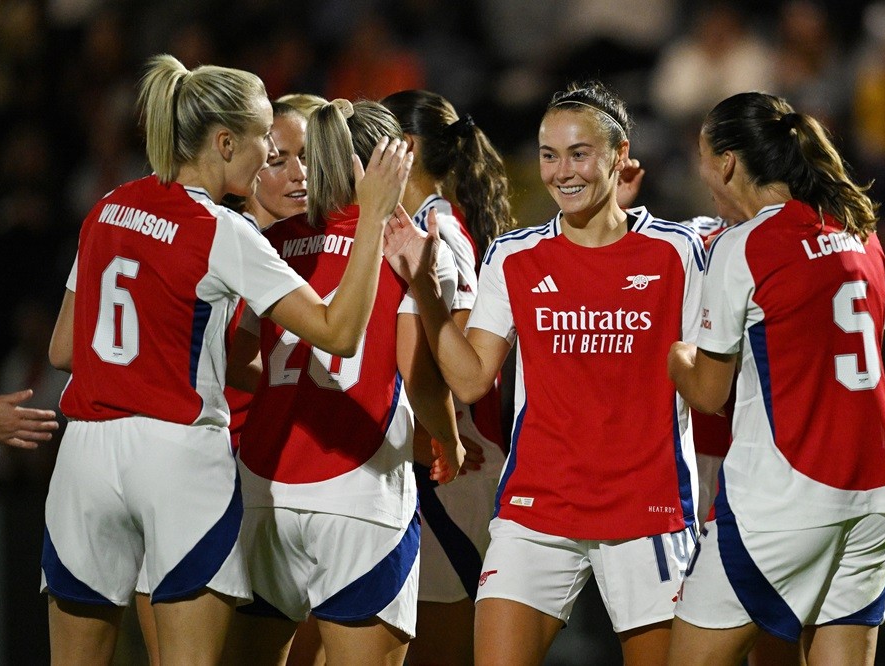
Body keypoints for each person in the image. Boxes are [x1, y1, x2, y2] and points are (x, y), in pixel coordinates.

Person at [42, 54, 418, 665]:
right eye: (265, 136)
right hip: (177, 454)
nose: (271, 149)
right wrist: (373, 215)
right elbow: (340, 332)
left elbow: (64, 349)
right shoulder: (223, 229)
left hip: (83, 455)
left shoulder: (106, 205)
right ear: (223, 142)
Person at [388, 80, 704, 665]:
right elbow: (472, 378)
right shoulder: (513, 255)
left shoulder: (679, 251)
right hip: (537, 509)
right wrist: (428, 295)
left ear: (618, 154)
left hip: (648, 510)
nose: (562, 172)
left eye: (579, 153)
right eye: (549, 155)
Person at [667, 91, 885, 665]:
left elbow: (707, 393)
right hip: (877, 490)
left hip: (787, 493)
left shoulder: (743, 244)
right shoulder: (861, 232)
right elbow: (869, 338)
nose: (702, 174)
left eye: (702, 157)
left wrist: (672, 353)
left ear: (727, 161)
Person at [221, 98, 466, 666]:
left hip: (265, 487)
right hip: (360, 490)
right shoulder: (413, 243)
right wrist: (448, 440)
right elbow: (418, 374)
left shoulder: (274, 242)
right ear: (394, 163)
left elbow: (239, 355)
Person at [132, 97, 320, 666]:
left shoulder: (318, 244)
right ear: (240, 155)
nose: (297, 173)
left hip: (280, 486)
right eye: (279, 156)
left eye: (309, 157)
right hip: (204, 471)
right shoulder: (218, 235)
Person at [380, 89, 513, 666]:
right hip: (424, 459)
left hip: (445, 471)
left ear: (404, 148)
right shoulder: (403, 225)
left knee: (438, 650)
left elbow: (439, 367)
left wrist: (443, 438)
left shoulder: (442, 232)